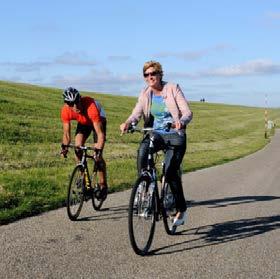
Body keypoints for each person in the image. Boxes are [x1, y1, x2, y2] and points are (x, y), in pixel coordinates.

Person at [120, 61, 193, 226]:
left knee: (170, 172)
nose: (150, 77)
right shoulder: (145, 93)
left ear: (160, 74)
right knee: (142, 152)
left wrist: (180, 122)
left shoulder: (173, 88)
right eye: (146, 74)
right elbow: (136, 114)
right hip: (156, 134)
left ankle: (181, 209)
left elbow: (187, 112)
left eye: (153, 73)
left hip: (175, 135)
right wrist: (127, 123)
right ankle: (144, 191)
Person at [60, 86, 108, 200]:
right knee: (77, 147)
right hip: (84, 122)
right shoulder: (66, 110)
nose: (75, 106)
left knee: (97, 156)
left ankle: (103, 185)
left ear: (80, 99)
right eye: (71, 104)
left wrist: (99, 149)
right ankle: (84, 180)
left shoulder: (91, 107)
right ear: (67, 104)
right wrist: (64, 147)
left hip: (98, 120)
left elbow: (100, 134)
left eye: (76, 102)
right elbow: (66, 134)